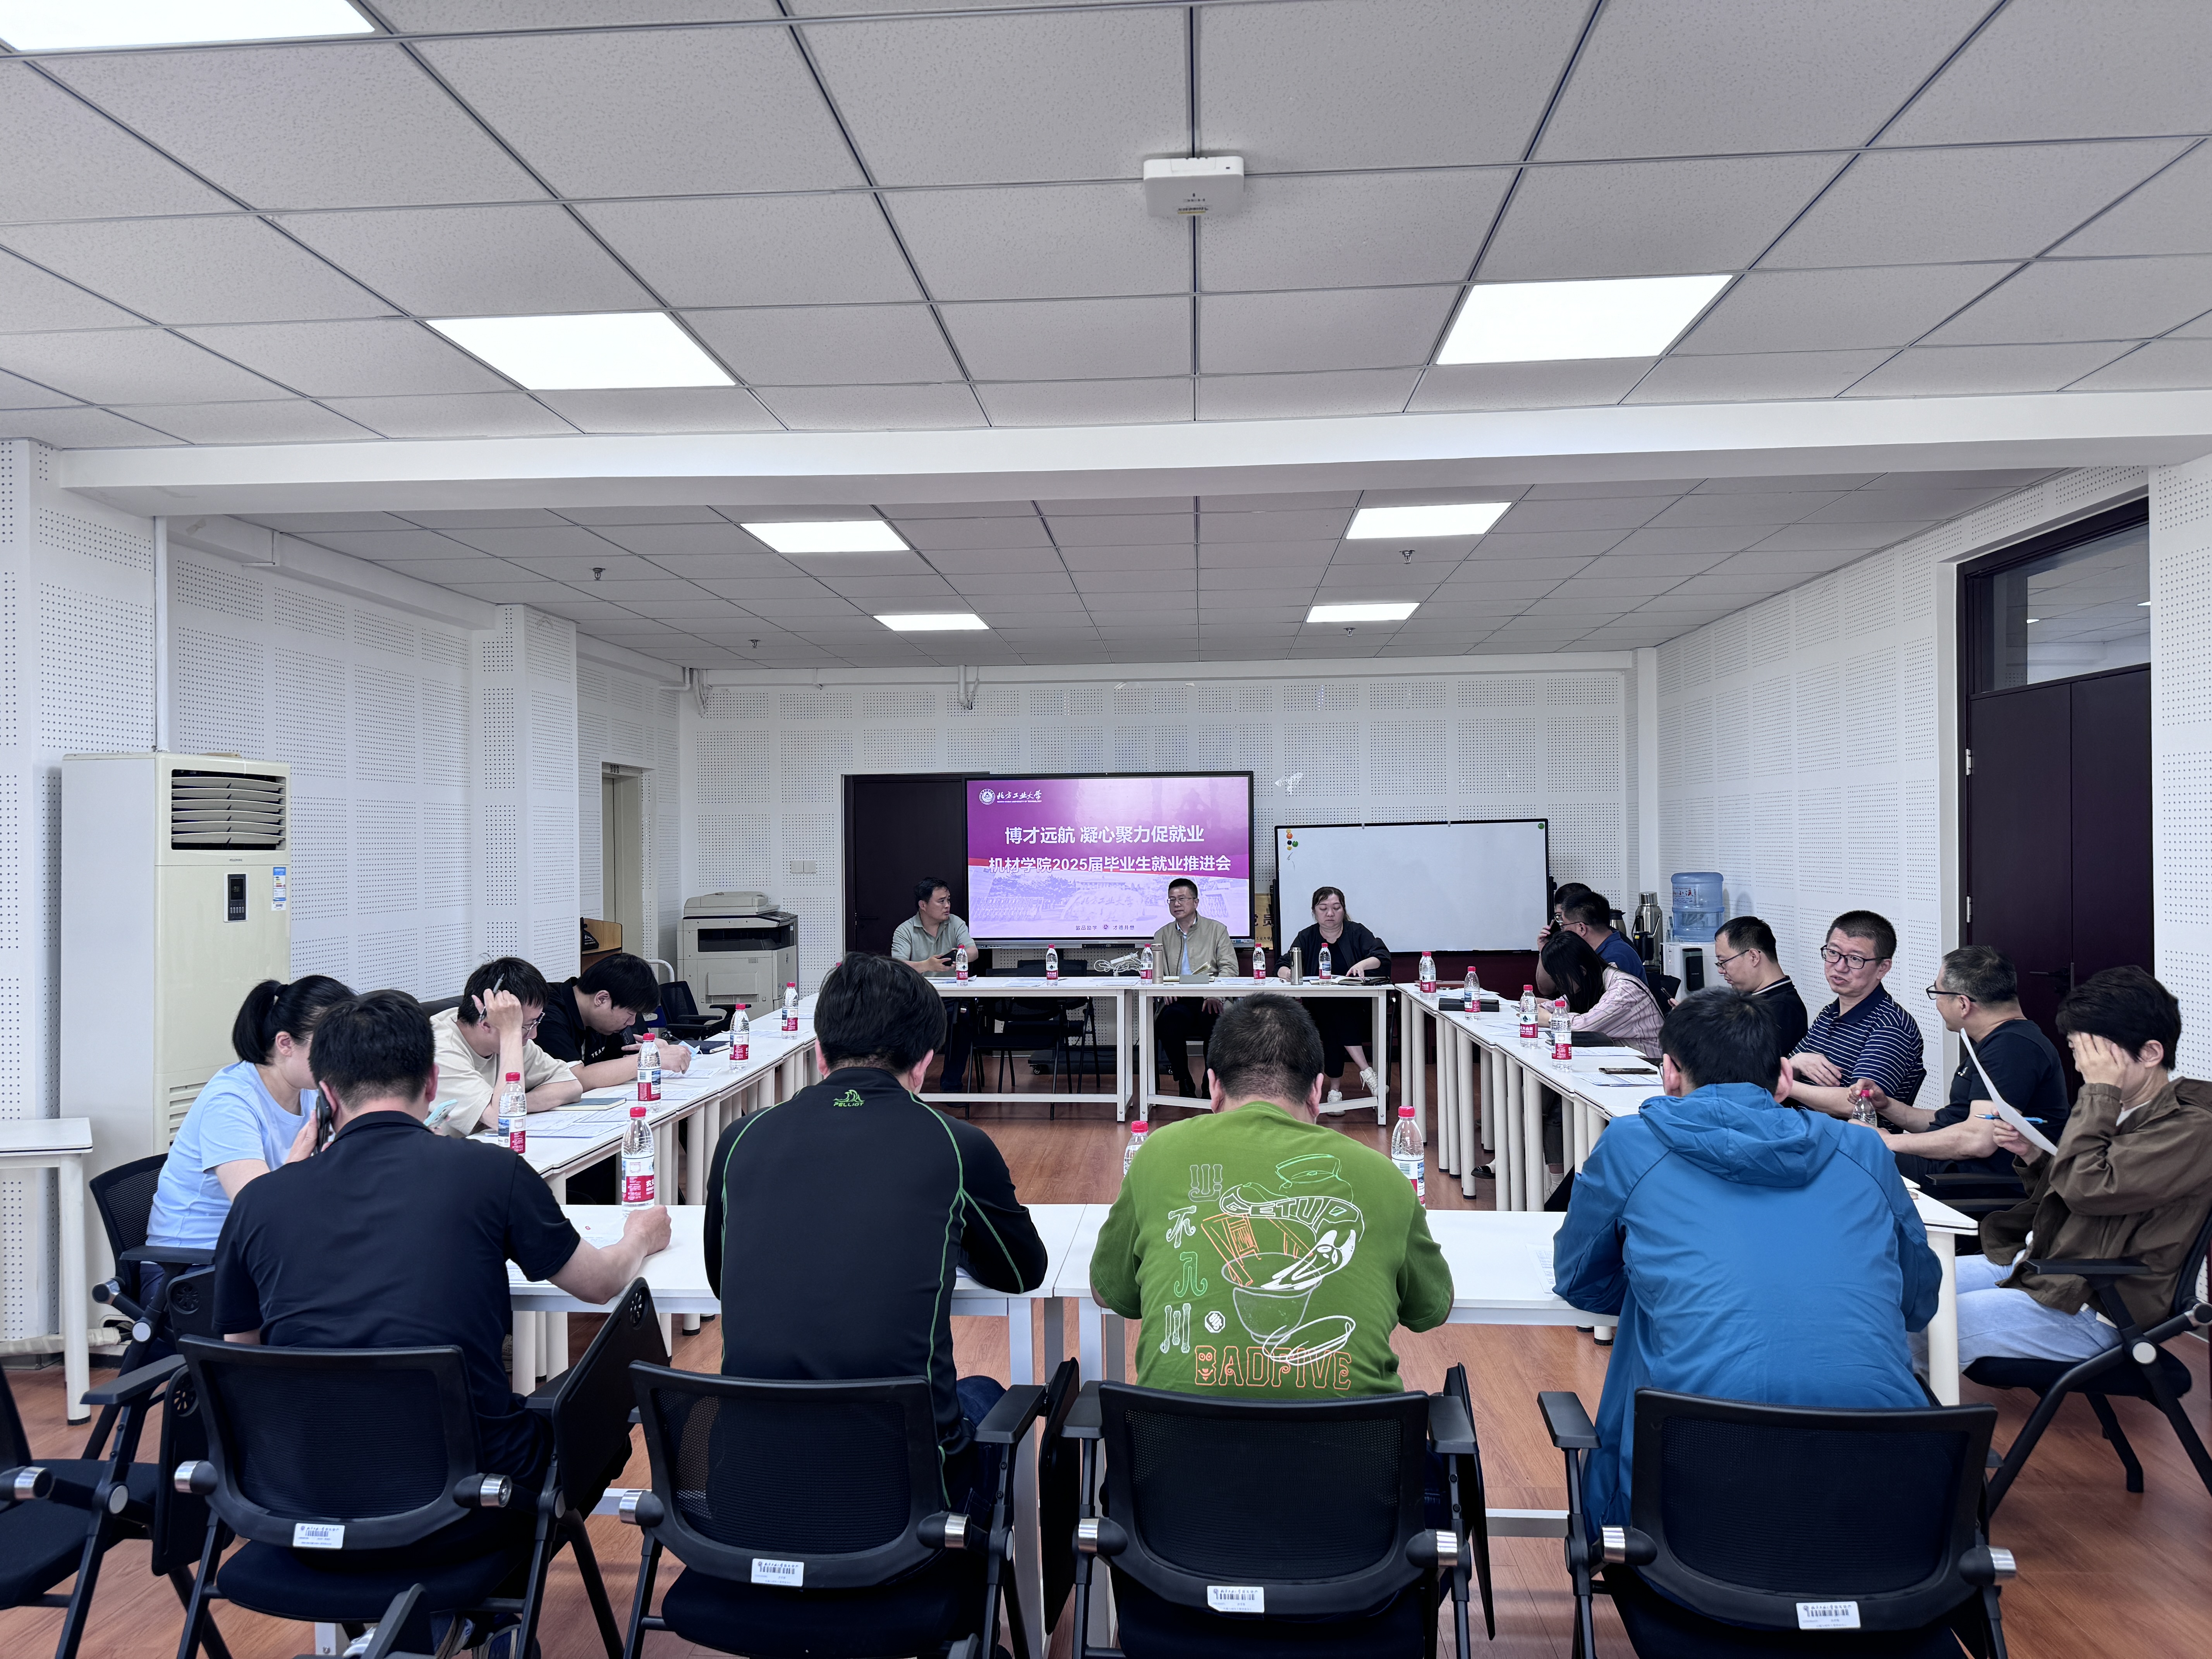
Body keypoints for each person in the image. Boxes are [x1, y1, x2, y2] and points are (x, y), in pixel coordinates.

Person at [211, 990, 670, 1598]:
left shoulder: (260, 1204)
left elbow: (242, 1357)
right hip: (469, 1508)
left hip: (297, 1504)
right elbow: (601, 1284)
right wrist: (640, 1236)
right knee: (624, 1363)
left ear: (326, 1096)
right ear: (431, 1084)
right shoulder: (491, 1174)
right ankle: (487, 1601)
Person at [1552, 988, 1939, 1530]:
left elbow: (1580, 1280)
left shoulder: (1632, 1145)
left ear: (1669, 1073)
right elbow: (1916, 1301)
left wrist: (1665, 1290)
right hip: (1881, 1513)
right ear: (1784, 1078)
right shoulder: (1864, 1152)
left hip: (1688, 1511)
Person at [703, 953, 1046, 1520]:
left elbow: (723, 1281)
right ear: (924, 1063)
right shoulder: (956, 1146)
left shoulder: (740, 1139)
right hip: (908, 1503)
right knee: (984, 1393)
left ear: (819, 1053)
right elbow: (1020, 1271)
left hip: (748, 1492)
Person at [1092, 991, 1452, 1396]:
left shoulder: (1156, 1154)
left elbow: (1108, 1293)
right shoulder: (1385, 1178)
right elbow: (1431, 1308)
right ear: (1317, 1092)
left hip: (1170, 1438)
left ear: (1213, 1086)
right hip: (1358, 1438)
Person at [1934, 967, 2212, 1372]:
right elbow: (2085, 1190)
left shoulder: (2190, 1127)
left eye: (2097, 1057)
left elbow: (2088, 1190)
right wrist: (2035, 1155)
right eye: (2079, 1052)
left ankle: (1903, 1413)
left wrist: (2100, 1094)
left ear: (2151, 1054)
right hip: (2043, 1265)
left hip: (2091, 1301)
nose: (2084, 1069)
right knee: (1898, 1290)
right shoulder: (2125, 1109)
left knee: (1923, 1325)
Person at [146, 977, 355, 1287]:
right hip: (191, 1272)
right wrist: (299, 1170)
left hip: (258, 1256)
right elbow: (259, 1212)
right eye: (331, 1045)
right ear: (286, 1044)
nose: (343, 1057)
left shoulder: (310, 1090)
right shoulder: (230, 1102)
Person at [1858, 946, 2068, 1183]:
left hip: (1969, 1180)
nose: (1937, 1003)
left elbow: (1977, 1140)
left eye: (1937, 993)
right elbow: (1954, 1122)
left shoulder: (2012, 1047)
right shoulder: (2002, 1041)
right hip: (1953, 1168)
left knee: (1848, 1153)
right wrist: (1888, 1106)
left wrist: (1887, 1141)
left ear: (1963, 1004)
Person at [1788, 910, 1927, 1118]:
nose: (1840, 967)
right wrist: (1795, 1063)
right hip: (1802, 1128)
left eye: (1855, 959)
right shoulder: (1829, 1013)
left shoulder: (1891, 1025)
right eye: (1833, 953)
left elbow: (1859, 1105)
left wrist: (1785, 1084)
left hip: (1848, 1137)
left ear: (1883, 968)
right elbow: (1787, 1068)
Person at [428, 957, 583, 1136]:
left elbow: (571, 1086)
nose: (534, 1035)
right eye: (527, 1026)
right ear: (486, 1024)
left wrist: (519, 1104)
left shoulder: (510, 1038)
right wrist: (512, 1031)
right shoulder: (438, 1049)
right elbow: (505, 1120)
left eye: (536, 1023)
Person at [1279, 885, 1390, 1109]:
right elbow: (1283, 964)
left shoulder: (1357, 932)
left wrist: (1363, 964)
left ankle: (1335, 1090)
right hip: (1316, 1010)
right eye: (1324, 909)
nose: (1330, 914)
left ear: (1344, 910)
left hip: (1359, 1009)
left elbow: (1382, 957)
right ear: (1315, 912)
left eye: (1336, 908)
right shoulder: (1307, 937)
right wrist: (1287, 973)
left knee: (1336, 1013)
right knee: (1331, 1012)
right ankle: (1367, 1074)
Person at [536, 951, 693, 1090]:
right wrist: (651, 1059)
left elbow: (618, 1062)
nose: (632, 1023)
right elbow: (574, 1080)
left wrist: (652, 1049)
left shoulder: (601, 1021)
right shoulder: (545, 1014)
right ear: (602, 999)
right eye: (630, 1014)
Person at [1150, 876, 1239, 1097]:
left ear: (1196, 902)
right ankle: (1184, 1080)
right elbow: (1156, 972)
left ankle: (1210, 1082)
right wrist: (1164, 991)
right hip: (1178, 999)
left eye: (1182, 899)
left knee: (1217, 1022)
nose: (1177, 904)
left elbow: (1230, 968)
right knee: (1168, 1023)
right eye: (1172, 900)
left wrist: (1216, 995)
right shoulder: (1162, 934)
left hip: (1210, 997)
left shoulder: (1217, 930)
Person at [890, 875, 977, 1092]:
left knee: (964, 1020)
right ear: (923, 905)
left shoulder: (956, 923)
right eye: (941, 901)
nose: (947, 906)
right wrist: (926, 965)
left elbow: (973, 951)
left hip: (953, 998)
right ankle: (908, 1085)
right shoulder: (905, 930)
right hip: (918, 1000)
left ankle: (952, 1085)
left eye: (948, 900)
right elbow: (897, 966)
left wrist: (960, 957)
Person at [1537, 931, 1663, 1061]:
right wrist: (1539, 1008)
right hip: (1621, 1060)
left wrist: (1550, 1019)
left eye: (1560, 978)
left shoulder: (1623, 993)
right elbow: (1557, 1007)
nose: (1558, 985)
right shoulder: (1590, 983)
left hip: (1648, 1064)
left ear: (1582, 971)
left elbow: (1584, 1028)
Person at [1712, 915, 1808, 1054]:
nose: (1721, 970)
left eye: (1723, 962)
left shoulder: (1781, 1009)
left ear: (1754, 957)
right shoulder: (1754, 999)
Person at [1532, 881, 1594, 996]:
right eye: (1558, 917)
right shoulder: (1564, 941)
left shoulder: (1608, 949)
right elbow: (1547, 990)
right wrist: (1545, 952)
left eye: (1563, 917)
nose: (1562, 925)